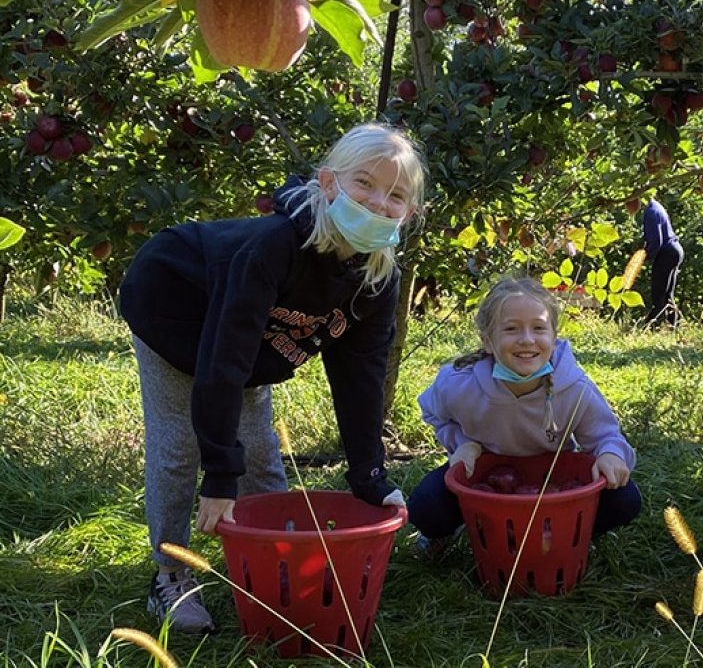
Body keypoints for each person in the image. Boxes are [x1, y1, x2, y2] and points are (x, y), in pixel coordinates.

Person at [119, 122, 426, 633]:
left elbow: (361, 378)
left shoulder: (376, 279)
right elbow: (222, 360)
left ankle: (279, 561)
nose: (378, 202)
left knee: (260, 448)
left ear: (409, 213)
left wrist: (369, 476)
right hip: (173, 308)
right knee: (179, 448)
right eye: (364, 184)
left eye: (395, 195)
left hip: (247, 342)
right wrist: (218, 479)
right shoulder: (274, 247)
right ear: (328, 184)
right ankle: (171, 573)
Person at [407, 277, 642, 553]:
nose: (527, 339)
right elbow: (433, 412)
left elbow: (606, 436)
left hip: (552, 483)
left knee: (624, 499)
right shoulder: (459, 384)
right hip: (484, 478)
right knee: (425, 507)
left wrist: (610, 454)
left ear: (554, 339)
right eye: (511, 329)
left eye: (539, 328)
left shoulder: (574, 388)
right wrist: (462, 445)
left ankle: (570, 533)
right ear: (488, 342)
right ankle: (465, 528)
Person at [642, 197, 684, 328]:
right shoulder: (656, 206)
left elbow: (656, 241)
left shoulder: (650, 212)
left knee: (658, 294)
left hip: (666, 253)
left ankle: (650, 327)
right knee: (667, 295)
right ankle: (675, 327)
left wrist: (645, 256)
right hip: (676, 250)